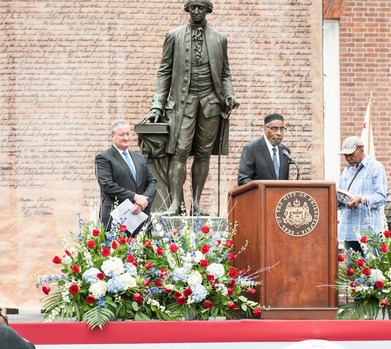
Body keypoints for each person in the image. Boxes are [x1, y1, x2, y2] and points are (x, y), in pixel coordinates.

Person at [141, 0, 238, 215]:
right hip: (181, 105)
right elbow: (164, 71)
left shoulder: (219, 39)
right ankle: (175, 204)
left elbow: (225, 74)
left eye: (201, 7)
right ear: (187, 8)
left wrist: (229, 94)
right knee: (180, 152)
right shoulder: (173, 36)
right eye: (193, 7)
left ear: (208, 10)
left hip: (210, 104)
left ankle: (196, 203)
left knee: (203, 154)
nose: (196, 11)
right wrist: (157, 106)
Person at [95, 119, 157, 236]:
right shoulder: (103, 158)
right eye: (121, 134)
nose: (126, 137)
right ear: (112, 136)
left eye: (128, 134)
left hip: (141, 216)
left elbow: (152, 182)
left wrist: (141, 202)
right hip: (116, 218)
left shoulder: (140, 158)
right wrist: (134, 197)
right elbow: (107, 185)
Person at [337, 136, 387, 258]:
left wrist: (361, 199)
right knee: (352, 273)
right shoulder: (346, 171)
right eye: (345, 155)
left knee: (372, 272)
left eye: (351, 154)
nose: (348, 158)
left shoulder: (376, 167)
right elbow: (341, 196)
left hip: (369, 232)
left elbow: (381, 197)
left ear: (361, 150)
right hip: (350, 230)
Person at [237, 113, 291, 186]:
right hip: (259, 196)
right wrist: (263, 188)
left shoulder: (285, 151)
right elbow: (243, 179)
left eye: (282, 129)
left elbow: (285, 181)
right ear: (265, 129)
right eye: (274, 128)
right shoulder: (251, 149)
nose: (279, 133)